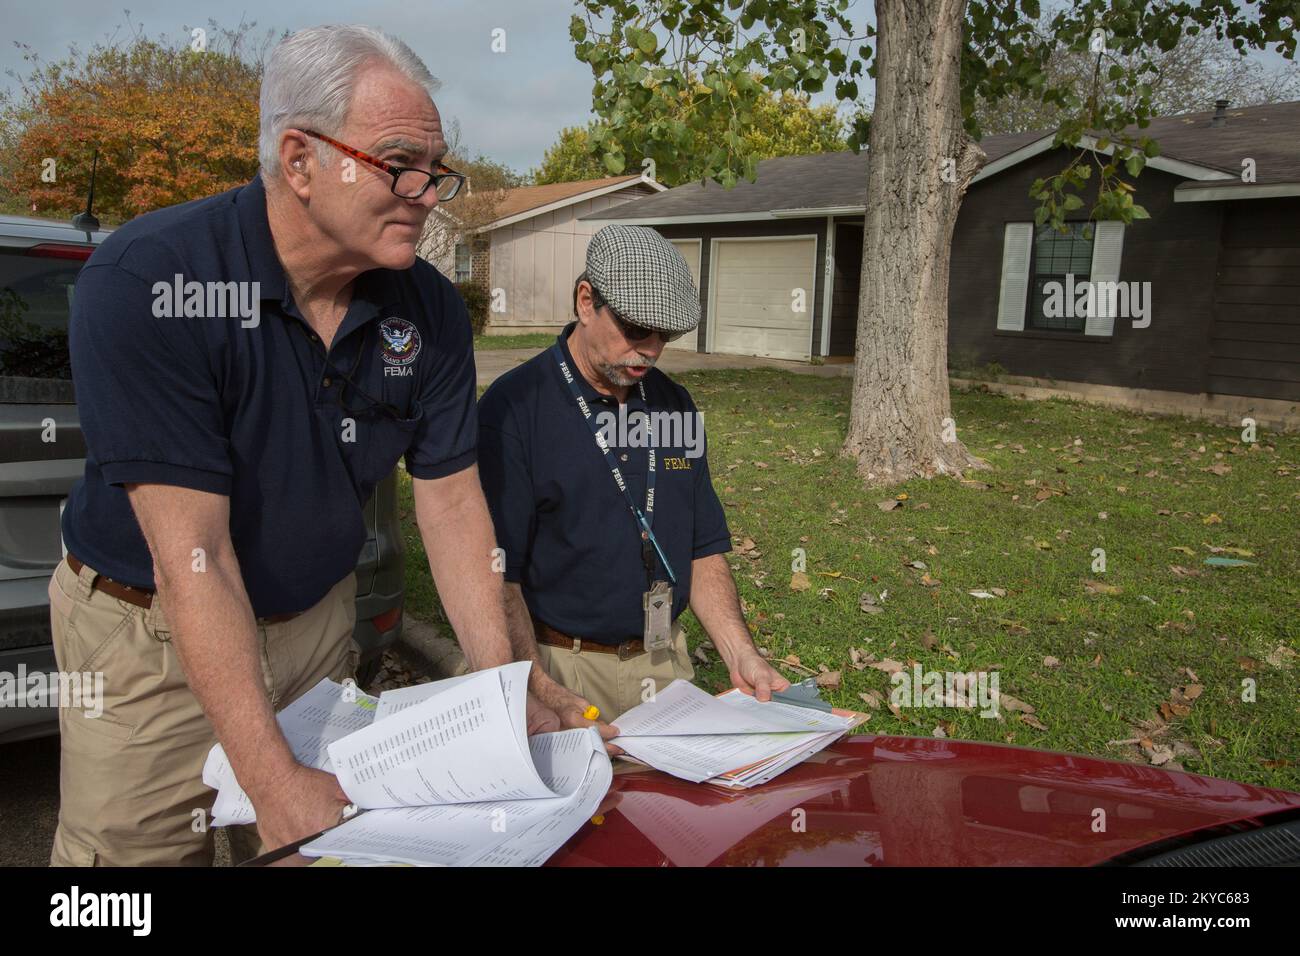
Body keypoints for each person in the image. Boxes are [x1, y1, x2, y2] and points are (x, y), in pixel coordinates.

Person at [50, 24, 553, 867]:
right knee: (126, 874)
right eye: (400, 164)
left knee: (319, 851)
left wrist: (503, 692)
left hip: (317, 624)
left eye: (438, 167)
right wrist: (271, 777)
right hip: (151, 637)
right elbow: (194, 556)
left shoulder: (426, 311)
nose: (429, 193)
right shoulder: (151, 282)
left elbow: (453, 502)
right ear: (299, 158)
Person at [477, 224, 790, 741]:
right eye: (635, 329)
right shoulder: (512, 410)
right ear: (585, 300)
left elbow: (703, 547)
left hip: (665, 665)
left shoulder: (676, 405)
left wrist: (742, 655)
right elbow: (497, 576)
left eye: (664, 336)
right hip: (559, 670)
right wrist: (539, 689)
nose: (649, 350)